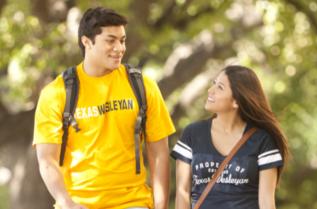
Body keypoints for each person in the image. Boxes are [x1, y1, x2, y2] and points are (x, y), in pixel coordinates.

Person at [33, 7, 175, 209]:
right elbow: (47, 159)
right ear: (87, 41)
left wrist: (161, 206)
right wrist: (66, 202)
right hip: (77, 204)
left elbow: (159, 153)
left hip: (133, 203)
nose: (120, 48)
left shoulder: (142, 85)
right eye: (111, 40)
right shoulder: (56, 93)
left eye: (122, 40)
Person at [171, 65, 289, 209]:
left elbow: (266, 201)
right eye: (213, 84)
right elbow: (182, 192)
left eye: (219, 87)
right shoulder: (192, 134)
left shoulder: (262, 140)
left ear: (236, 101)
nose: (210, 91)